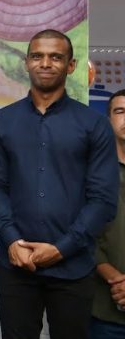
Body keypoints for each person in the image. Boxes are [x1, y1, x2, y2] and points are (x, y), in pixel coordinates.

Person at [0, 29, 119, 339]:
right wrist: (13, 240)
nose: (46, 63)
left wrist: (62, 247)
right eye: (37, 56)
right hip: (16, 265)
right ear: (26, 63)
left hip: (73, 267)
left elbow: (103, 199)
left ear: (70, 66)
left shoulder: (94, 124)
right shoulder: (4, 120)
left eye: (56, 57)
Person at [89, 90, 125, 337]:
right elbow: (82, 231)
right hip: (103, 308)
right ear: (108, 119)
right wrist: (116, 279)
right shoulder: (91, 172)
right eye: (120, 111)